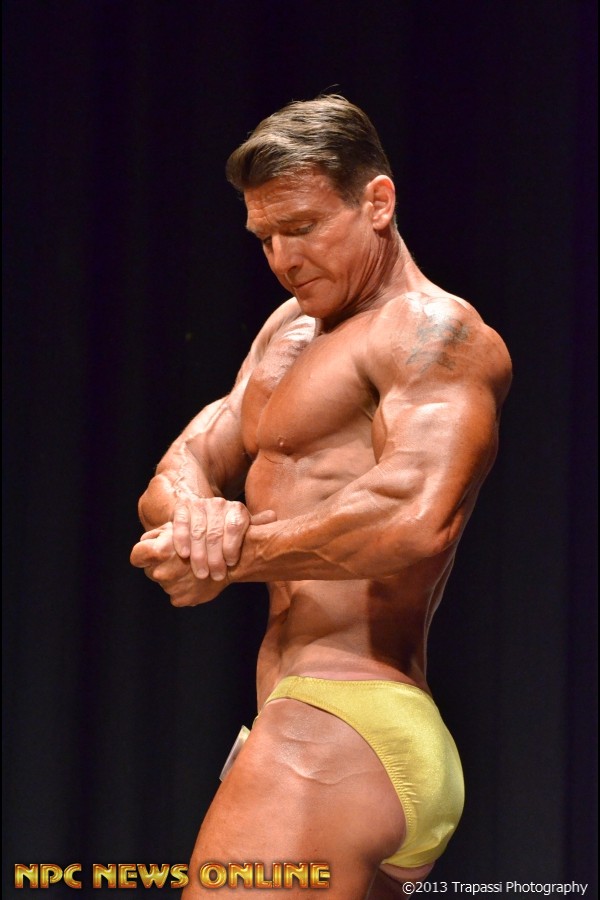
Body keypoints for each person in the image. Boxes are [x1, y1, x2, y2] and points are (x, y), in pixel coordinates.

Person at [130, 94, 512, 898]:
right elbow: (186, 461)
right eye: (265, 237)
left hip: (346, 714)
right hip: (310, 723)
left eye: (302, 228)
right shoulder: (287, 332)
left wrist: (231, 554)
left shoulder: (431, 330)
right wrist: (197, 516)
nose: (282, 258)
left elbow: (415, 518)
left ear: (378, 202)